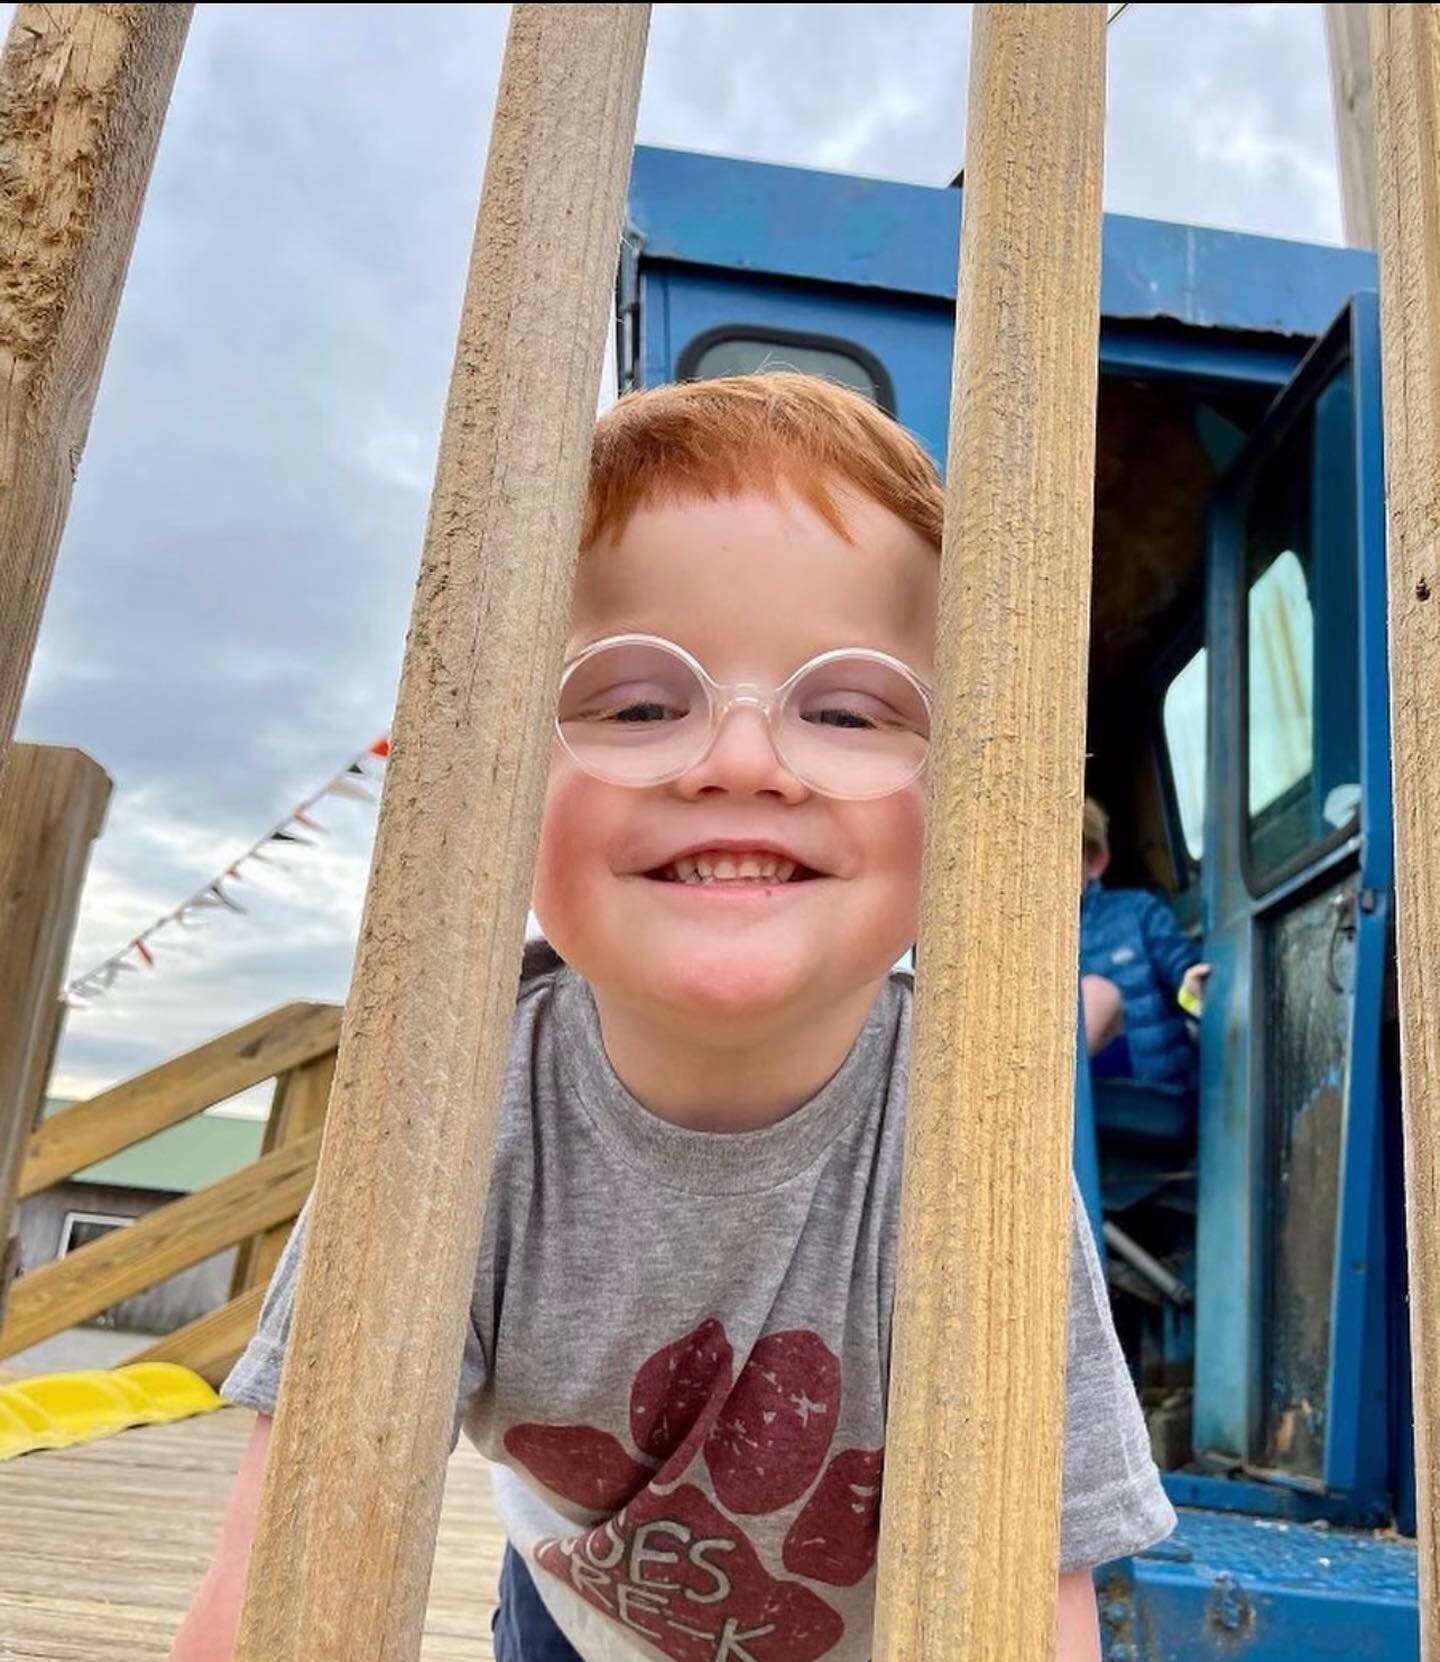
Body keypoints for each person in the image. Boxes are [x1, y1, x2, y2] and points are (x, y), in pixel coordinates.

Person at [168, 374, 1174, 1662]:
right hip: (578, 1606)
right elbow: (275, 1569)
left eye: (847, 710)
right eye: (638, 704)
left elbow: (1036, 1604)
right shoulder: (456, 1108)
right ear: (498, 774)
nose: (740, 759)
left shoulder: (968, 1142)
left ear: (964, 795)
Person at [1078, 797, 1209, 1089]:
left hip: (1152, 1094)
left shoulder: (1137, 911)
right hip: (1082, 1109)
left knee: (1095, 993)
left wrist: (1192, 987)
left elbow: (1186, 976)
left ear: (1094, 858)